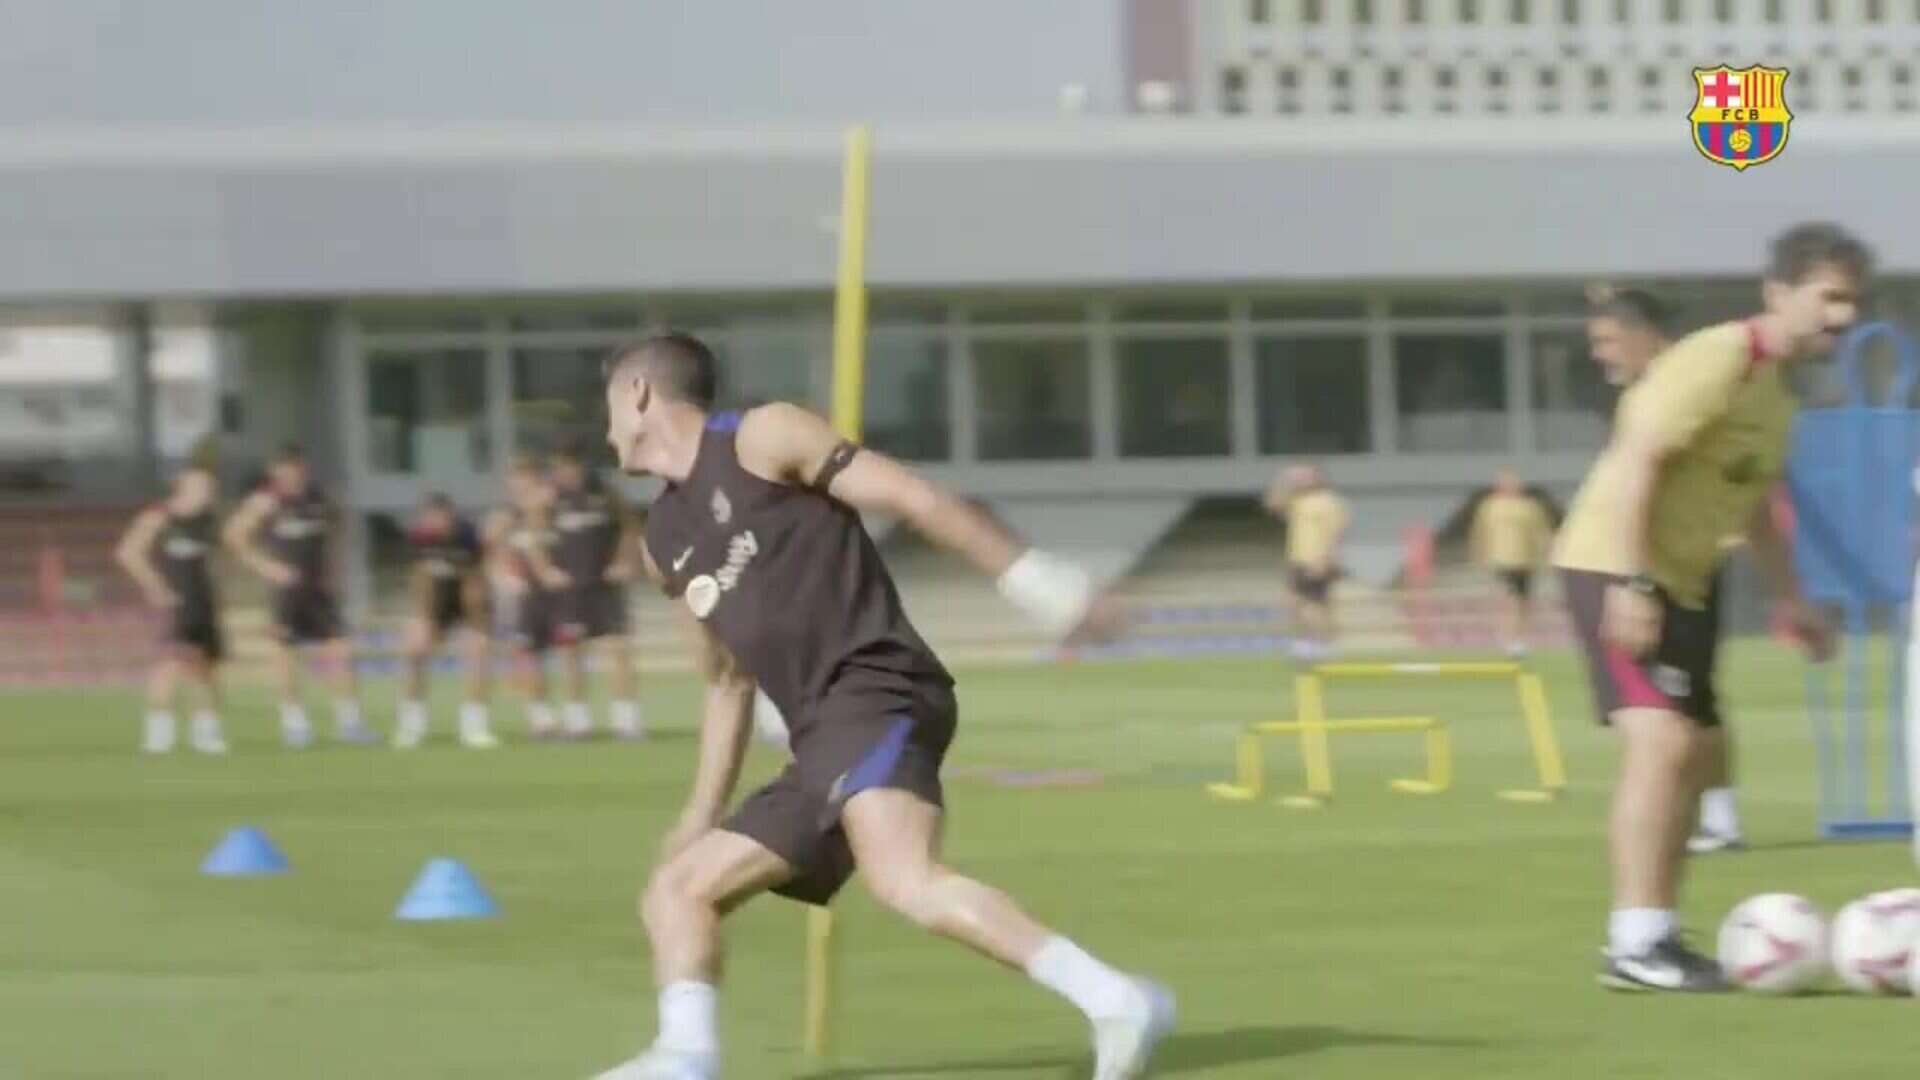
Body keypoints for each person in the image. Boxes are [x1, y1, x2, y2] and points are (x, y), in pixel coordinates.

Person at [591, 333, 1172, 1080]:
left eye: (608, 404)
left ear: (639, 394)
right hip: (818, 740)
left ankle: (1118, 1001)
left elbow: (911, 496)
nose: (605, 428)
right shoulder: (662, 540)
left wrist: (1039, 582)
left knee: (904, 878)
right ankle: (685, 1058)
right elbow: (727, 681)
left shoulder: (763, 436)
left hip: (878, 686)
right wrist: (697, 814)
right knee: (676, 891)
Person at [1555, 223, 1868, 991]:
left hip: (1685, 582)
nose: (1842, 316)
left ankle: (1657, 936)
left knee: (1693, 758)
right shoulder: (1721, 356)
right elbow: (1637, 460)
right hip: (1611, 562)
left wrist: (1794, 600)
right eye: (1828, 296)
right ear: (1779, 293)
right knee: (1661, 744)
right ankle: (1634, 944)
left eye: (1852, 301)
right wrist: (1631, 584)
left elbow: (1755, 502)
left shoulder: (1781, 395)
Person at [1589, 288, 1747, 853]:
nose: (1600, 354)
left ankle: (1711, 820)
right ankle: (1716, 817)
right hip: (1664, 562)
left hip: (1676, 565)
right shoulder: (1652, 390)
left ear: (1642, 333)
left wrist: (1635, 578)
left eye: (1608, 340)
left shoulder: (1682, 384)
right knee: (1687, 701)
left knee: (1676, 708)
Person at [223, 445, 373, 748]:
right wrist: (266, 567)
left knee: (342, 651)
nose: (290, 478)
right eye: (283, 473)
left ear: (303, 469)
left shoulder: (322, 499)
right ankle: (295, 725)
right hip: (286, 593)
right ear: (275, 473)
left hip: (320, 590)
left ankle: (350, 723)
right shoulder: (266, 501)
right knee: (285, 656)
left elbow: (338, 531)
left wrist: (336, 570)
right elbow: (233, 536)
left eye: (295, 472)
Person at [114, 463, 229, 755]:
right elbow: (128, 552)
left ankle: (206, 732)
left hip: (204, 602)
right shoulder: (160, 516)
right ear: (184, 487)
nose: (209, 492)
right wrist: (155, 586)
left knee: (206, 669)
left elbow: (215, 561)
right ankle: (158, 733)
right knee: (171, 664)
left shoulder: (208, 521)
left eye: (210, 487)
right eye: (203, 486)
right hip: (177, 603)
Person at [548, 441, 645, 741]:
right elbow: (534, 536)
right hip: (569, 591)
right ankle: (578, 723)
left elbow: (631, 529)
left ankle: (626, 721)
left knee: (617, 652)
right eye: (559, 469)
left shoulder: (606, 495)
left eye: (568, 467)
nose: (563, 474)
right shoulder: (551, 500)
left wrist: (625, 562)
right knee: (571, 655)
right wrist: (545, 570)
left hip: (605, 587)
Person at [392, 493, 500, 750]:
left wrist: (478, 625)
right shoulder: (419, 538)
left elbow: (475, 583)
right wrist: (423, 619)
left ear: (450, 517)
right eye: (430, 518)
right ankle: (412, 726)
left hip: (466, 601)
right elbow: (420, 580)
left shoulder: (468, 537)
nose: (435, 524)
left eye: (440, 518)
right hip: (435, 601)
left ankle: (474, 727)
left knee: (478, 651)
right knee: (414, 650)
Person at [486, 456, 566, 738]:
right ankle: (540, 718)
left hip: (556, 592)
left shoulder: (553, 511)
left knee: (568, 650)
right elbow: (492, 550)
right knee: (528, 655)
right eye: (515, 480)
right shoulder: (505, 517)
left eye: (527, 479)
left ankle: (573, 715)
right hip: (524, 596)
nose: (520, 486)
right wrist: (504, 578)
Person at [1263, 463, 1348, 661]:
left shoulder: (1329, 502)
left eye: (1307, 476)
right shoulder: (1299, 501)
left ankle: (1323, 645)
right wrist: (1284, 478)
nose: (1303, 480)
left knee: (1314, 605)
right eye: (1301, 476)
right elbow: (1273, 504)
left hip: (1316, 559)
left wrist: (1325, 560)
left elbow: (1335, 534)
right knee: (1295, 602)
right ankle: (1310, 642)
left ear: (1319, 478)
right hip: (1298, 560)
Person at [1469, 469, 1554, 657]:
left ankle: (1519, 638)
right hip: (1500, 560)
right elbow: (1480, 532)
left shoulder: (1530, 507)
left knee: (1523, 601)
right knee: (1510, 599)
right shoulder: (1490, 506)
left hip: (1525, 560)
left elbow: (1541, 532)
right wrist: (1479, 554)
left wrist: (1547, 553)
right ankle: (1508, 638)